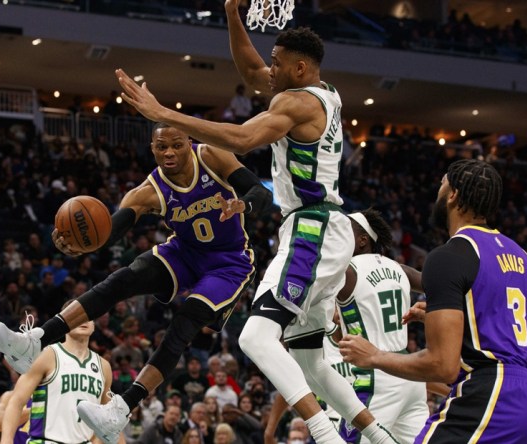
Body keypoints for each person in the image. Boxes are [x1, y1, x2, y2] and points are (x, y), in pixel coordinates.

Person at [114, 1, 397, 442]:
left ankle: (323, 433)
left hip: (312, 230)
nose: (268, 69)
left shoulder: (299, 104)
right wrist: (232, 15)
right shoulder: (323, 91)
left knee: (255, 337)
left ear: (300, 69)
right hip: (325, 227)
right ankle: (379, 436)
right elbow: (250, 72)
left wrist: (163, 114)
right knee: (309, 357)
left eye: (277, 64)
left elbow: (244, 139)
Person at [0, 122, 272, 444]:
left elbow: (261, 193)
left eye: (176, 145)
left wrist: (243, 205)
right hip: (184, 252)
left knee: (183, 323)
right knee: (124, 278)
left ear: (189, 142)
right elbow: (109, 231)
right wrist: (78, 242)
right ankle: (36, 340)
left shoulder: (212, 155)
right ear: (152, 149)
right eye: (161, 146)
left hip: (229, 262)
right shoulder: (148, 191)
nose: (169, 152)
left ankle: (122, 406)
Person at [339, 159, 527, 443]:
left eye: (441, 185)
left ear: (452, 195)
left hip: (493, 395)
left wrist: (374, 356)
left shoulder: (449, 256)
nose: (437, 193)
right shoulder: (523, 258)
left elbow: (442, 366)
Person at [325, 209, 438, 443]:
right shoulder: (400, 269)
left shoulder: (346, 271)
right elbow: (441, 288)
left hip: (376, 375)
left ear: (363, 240)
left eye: (343, 230)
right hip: (409, 372)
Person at [0, 301, 112, 444]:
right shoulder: (46, 355)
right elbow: (16, 402)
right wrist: (6, 441)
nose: (83, 320)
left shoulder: (104, 366)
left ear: (94, 325)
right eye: (77, 316)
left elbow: (108, 419)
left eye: (88, 317)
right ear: (64, 323)